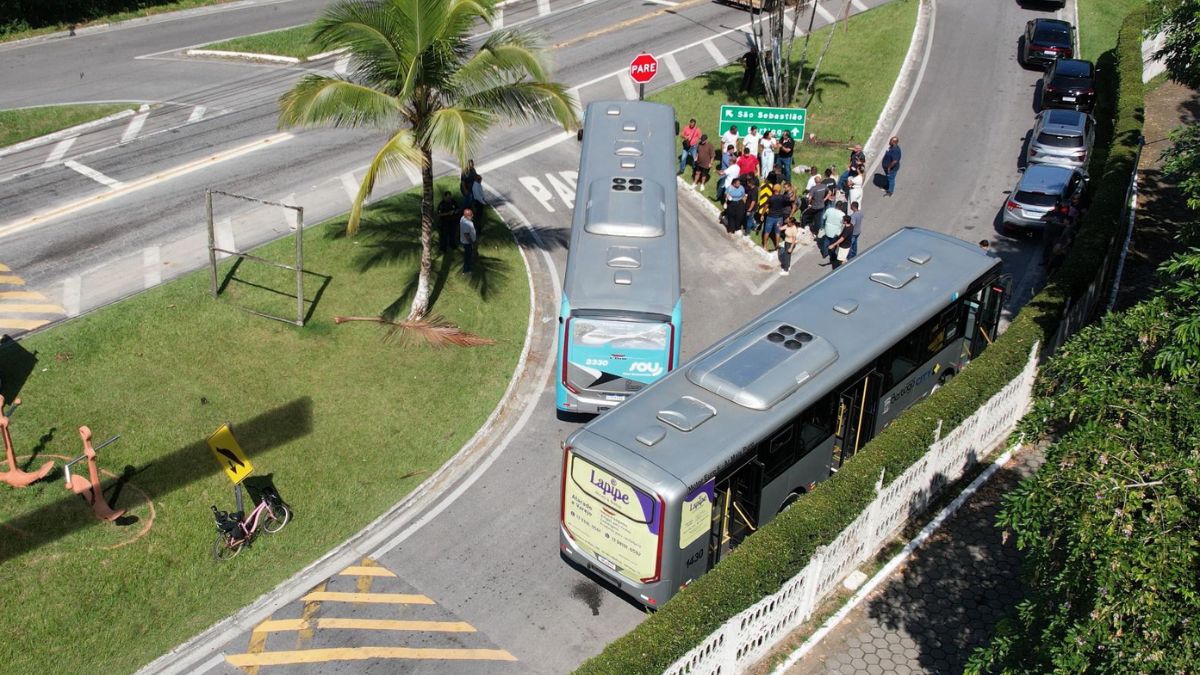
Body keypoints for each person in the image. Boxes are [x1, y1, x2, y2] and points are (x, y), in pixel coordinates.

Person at [764, 184, 792, 251]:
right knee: (778, 232)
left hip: (770, 217)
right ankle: (777, 245)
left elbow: (766, 206)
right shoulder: (783, 197)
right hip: (779, 218)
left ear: (774, 189)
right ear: (779, 190)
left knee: (767, 232)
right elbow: (791, 199)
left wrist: (762, 214)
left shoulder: (771, 197)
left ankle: (765, 246)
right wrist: (793, 191)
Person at [459, 208, 477, 274]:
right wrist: (472, 243)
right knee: (468, 256)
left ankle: (467, 268)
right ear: (467, 216)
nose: (472, 215)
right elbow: (466, 235)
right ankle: (466, 269)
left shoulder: (463, 218)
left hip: (465, 241)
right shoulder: (466, 224)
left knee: (468, 255)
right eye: (471, 215)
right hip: (467, 243)